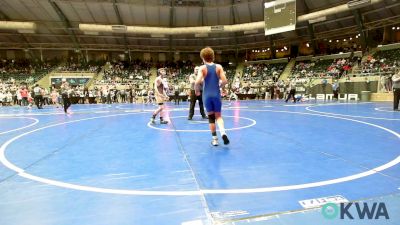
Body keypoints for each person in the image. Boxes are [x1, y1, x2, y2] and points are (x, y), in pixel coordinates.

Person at [195, 47, 229, 146]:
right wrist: (220, 86)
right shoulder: (218, 67)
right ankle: (223, 133)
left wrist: (197, 90)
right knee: (218, 116)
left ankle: (215, 140)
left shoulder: (202, 68)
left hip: (207, 95)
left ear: (203, 58)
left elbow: (197, 82)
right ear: (213, 57)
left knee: (211, 117)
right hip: (216, 94)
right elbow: (225, 81)